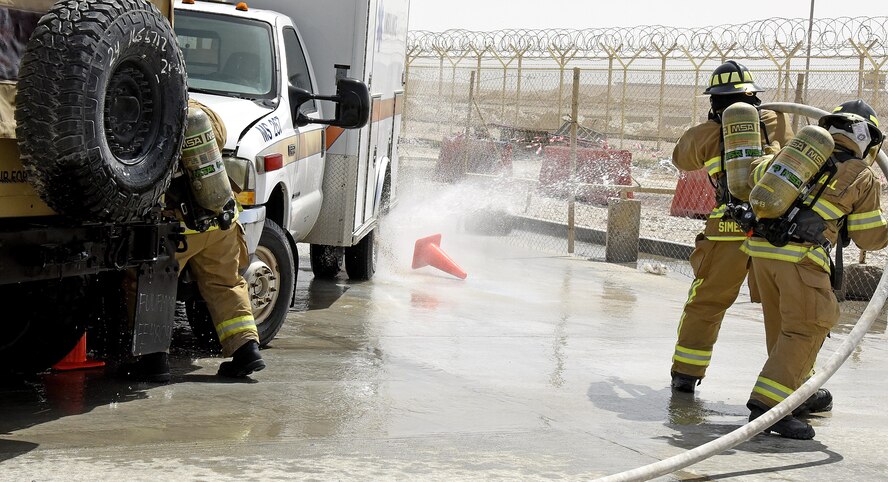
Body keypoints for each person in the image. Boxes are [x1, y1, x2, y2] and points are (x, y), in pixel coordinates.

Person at [741, 100, 888, 439]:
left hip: (761, 252)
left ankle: (798, 393)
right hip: (800, 259)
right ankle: (769, 409)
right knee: (808, 326)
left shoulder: (796, 156)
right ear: (867, 139)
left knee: (783, 330)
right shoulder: (862, 174)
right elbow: (868, 236)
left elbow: (753, 177)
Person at [669, 60, 793, 392]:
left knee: (707, 299)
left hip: (726, 227)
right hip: (775, 227)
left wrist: (711, 127)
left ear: (714, 101)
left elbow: (680, 158)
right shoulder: (774, 120)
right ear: (754, 97)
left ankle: (686, 373)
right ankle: (795, 384)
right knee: (785, 308)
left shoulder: (704, 135)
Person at [121, 99, 265, 381]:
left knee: (149, 284)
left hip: (174, 228)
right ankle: (247, 350)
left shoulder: (144, 118)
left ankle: (153, 360)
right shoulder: (198, 112)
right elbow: (220, 136)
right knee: (226, 284)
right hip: (220, 219)